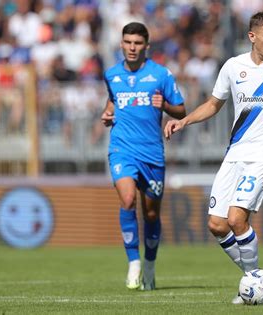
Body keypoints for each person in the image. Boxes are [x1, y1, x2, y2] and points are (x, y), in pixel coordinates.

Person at [164, 12, 263, 304]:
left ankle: (254, 280)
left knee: (236, 219)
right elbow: (214, 104)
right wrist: (185, 121)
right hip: (234, 155)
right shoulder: (233, 67)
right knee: (216, 225)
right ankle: (255, 280)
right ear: (252, 37)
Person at [101, 22, 186, 291]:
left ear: (146, 46)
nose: (132, 47)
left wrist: (167, 106)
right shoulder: (111, 74)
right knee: (127, 199)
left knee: (150, 214)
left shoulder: (161, 75)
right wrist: (107, 112)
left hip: (151, 153)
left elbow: (182, 111)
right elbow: (113, 101)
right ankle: (133, 262)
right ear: (122, 44)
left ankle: (149, 264)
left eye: (137, 43)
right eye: (127, 42)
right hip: (122, 148)